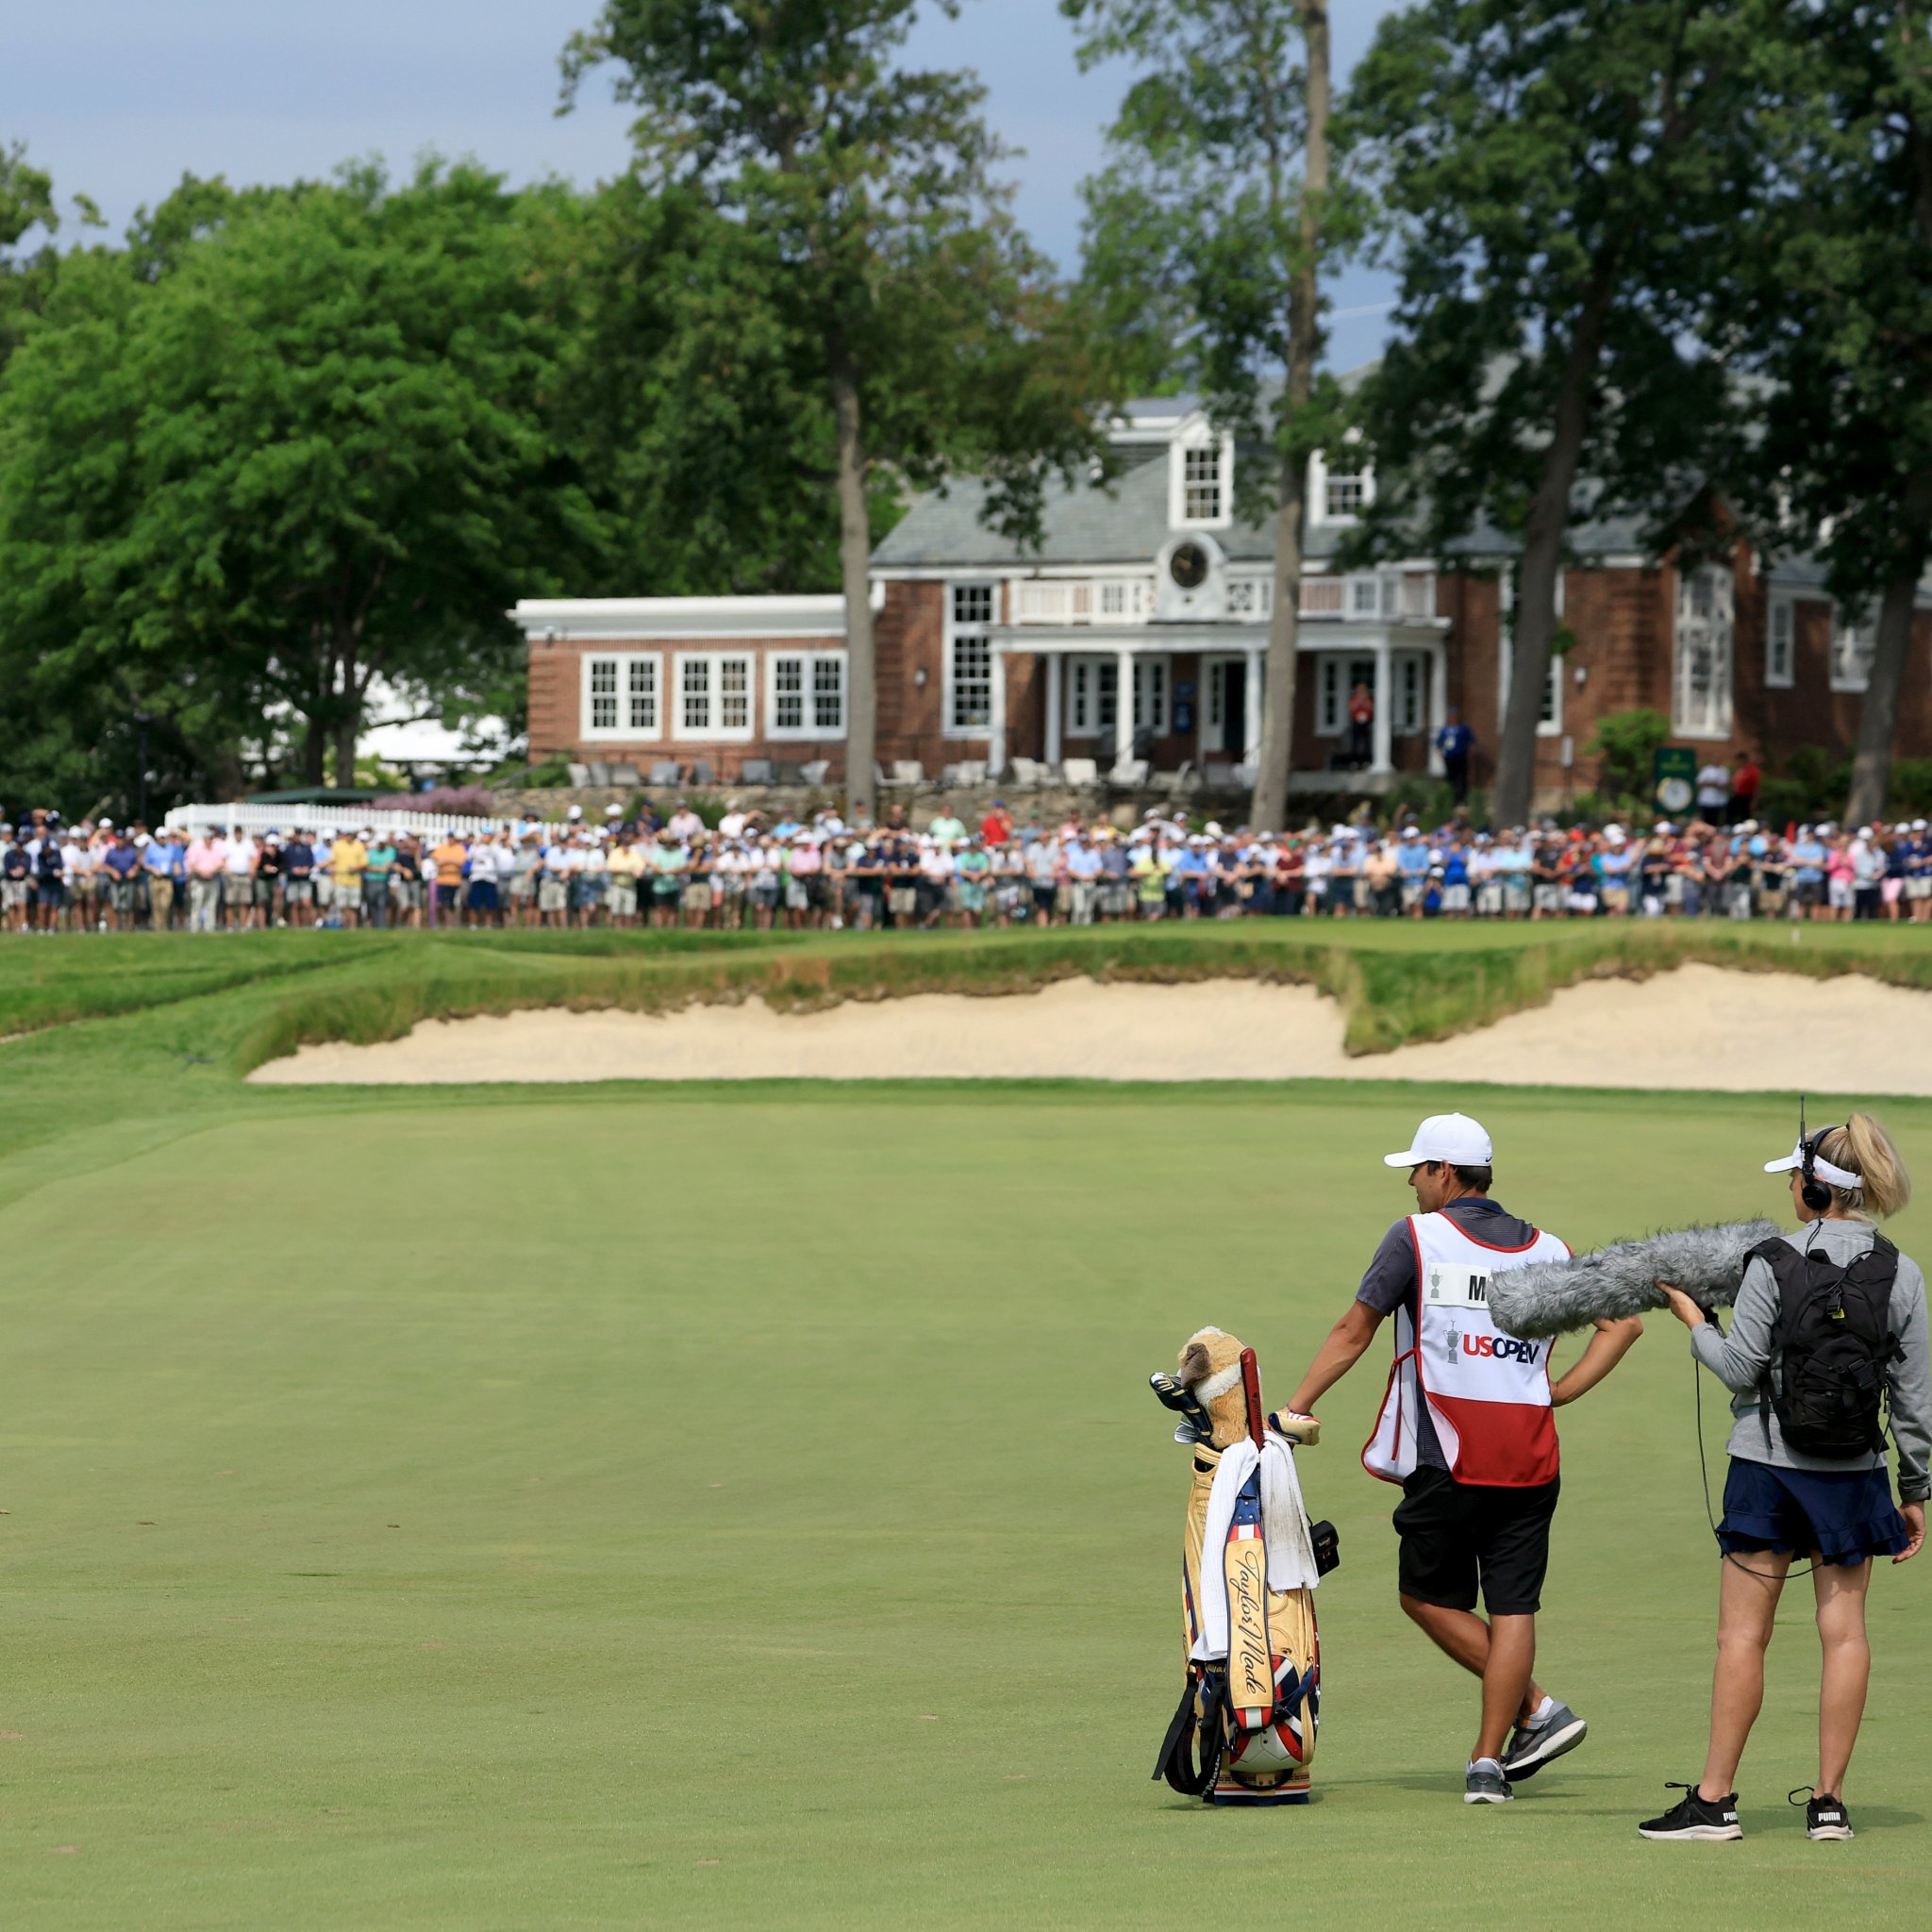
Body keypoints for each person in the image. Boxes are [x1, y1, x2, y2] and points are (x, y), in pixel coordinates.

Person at [1282, 1112, 1643, 1804]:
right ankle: (1488, 1762)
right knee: (1512, 1607)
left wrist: (1296, 1409)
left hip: (1447, 1455)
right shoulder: (1548, 1249)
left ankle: (1537, 1709)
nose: (1413, 1185)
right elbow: (1622, 1323)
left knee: (1424, 1597)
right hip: (1532, 1457)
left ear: (1445, 1174)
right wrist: (1559, 1390)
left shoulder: (1417, 1238)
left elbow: (1353, 1331)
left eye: (1417, 1171)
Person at [1641, 1115, 1928, 1844]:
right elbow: (1915, 1397)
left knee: (1742, 1635)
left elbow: (1740, 1368)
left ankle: (1714, 1802)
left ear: (1812, 1188)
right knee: (1846, 1634)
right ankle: (1829, 1804)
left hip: (1767, 1469)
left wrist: (1694, 1321)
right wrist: (1915, 1491)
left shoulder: (1769, 1262)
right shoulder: (1902, 1270)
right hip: (1855, 1471)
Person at [1436, 709, 1475, 804]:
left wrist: (1469, 753)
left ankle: (1462, 798)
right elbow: (1439, 744)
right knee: (1450, 778)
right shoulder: (1445, 729)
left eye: (1454, 716)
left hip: (1461, 757)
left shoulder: (1463, 728)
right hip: (1449, 758)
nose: (1452, 718)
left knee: (1461, 778)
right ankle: (1451, 798)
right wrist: (1441, 754)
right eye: (1451, 716)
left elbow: (1471, 741)